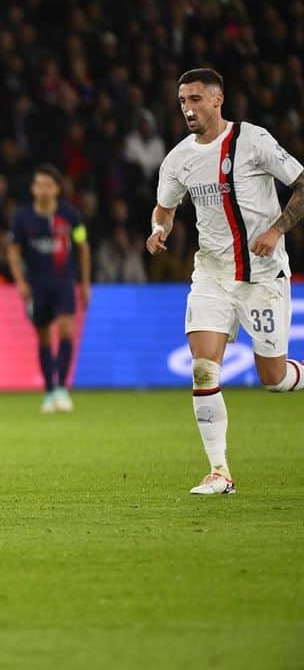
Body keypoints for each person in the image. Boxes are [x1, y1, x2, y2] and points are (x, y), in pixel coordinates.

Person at [147, 68, 304, 496]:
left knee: (273, 378)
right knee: (203, 369)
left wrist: (276, 230)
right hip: (211, 275)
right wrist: (159, 229)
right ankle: (220, 472)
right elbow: (165, 208)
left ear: (218, 100)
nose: (188, 109)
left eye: (195, 99)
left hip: (262, 278)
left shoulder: (253, 141)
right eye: (182, 101)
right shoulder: (178, 159)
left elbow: (302, 183)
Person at [7, 164, 92, 414]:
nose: (43, 189)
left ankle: (61, 389)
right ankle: (49, 390)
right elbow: (13, 251)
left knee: (66, 330)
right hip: (37, 286)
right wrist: (20, 282)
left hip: (64, 282)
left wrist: (85, 283)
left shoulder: (71, 216)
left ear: (57, 189)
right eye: (39, 184)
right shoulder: (22, 217)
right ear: (33, 189)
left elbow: (83, 247)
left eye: (48, 185)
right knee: (43, 336)